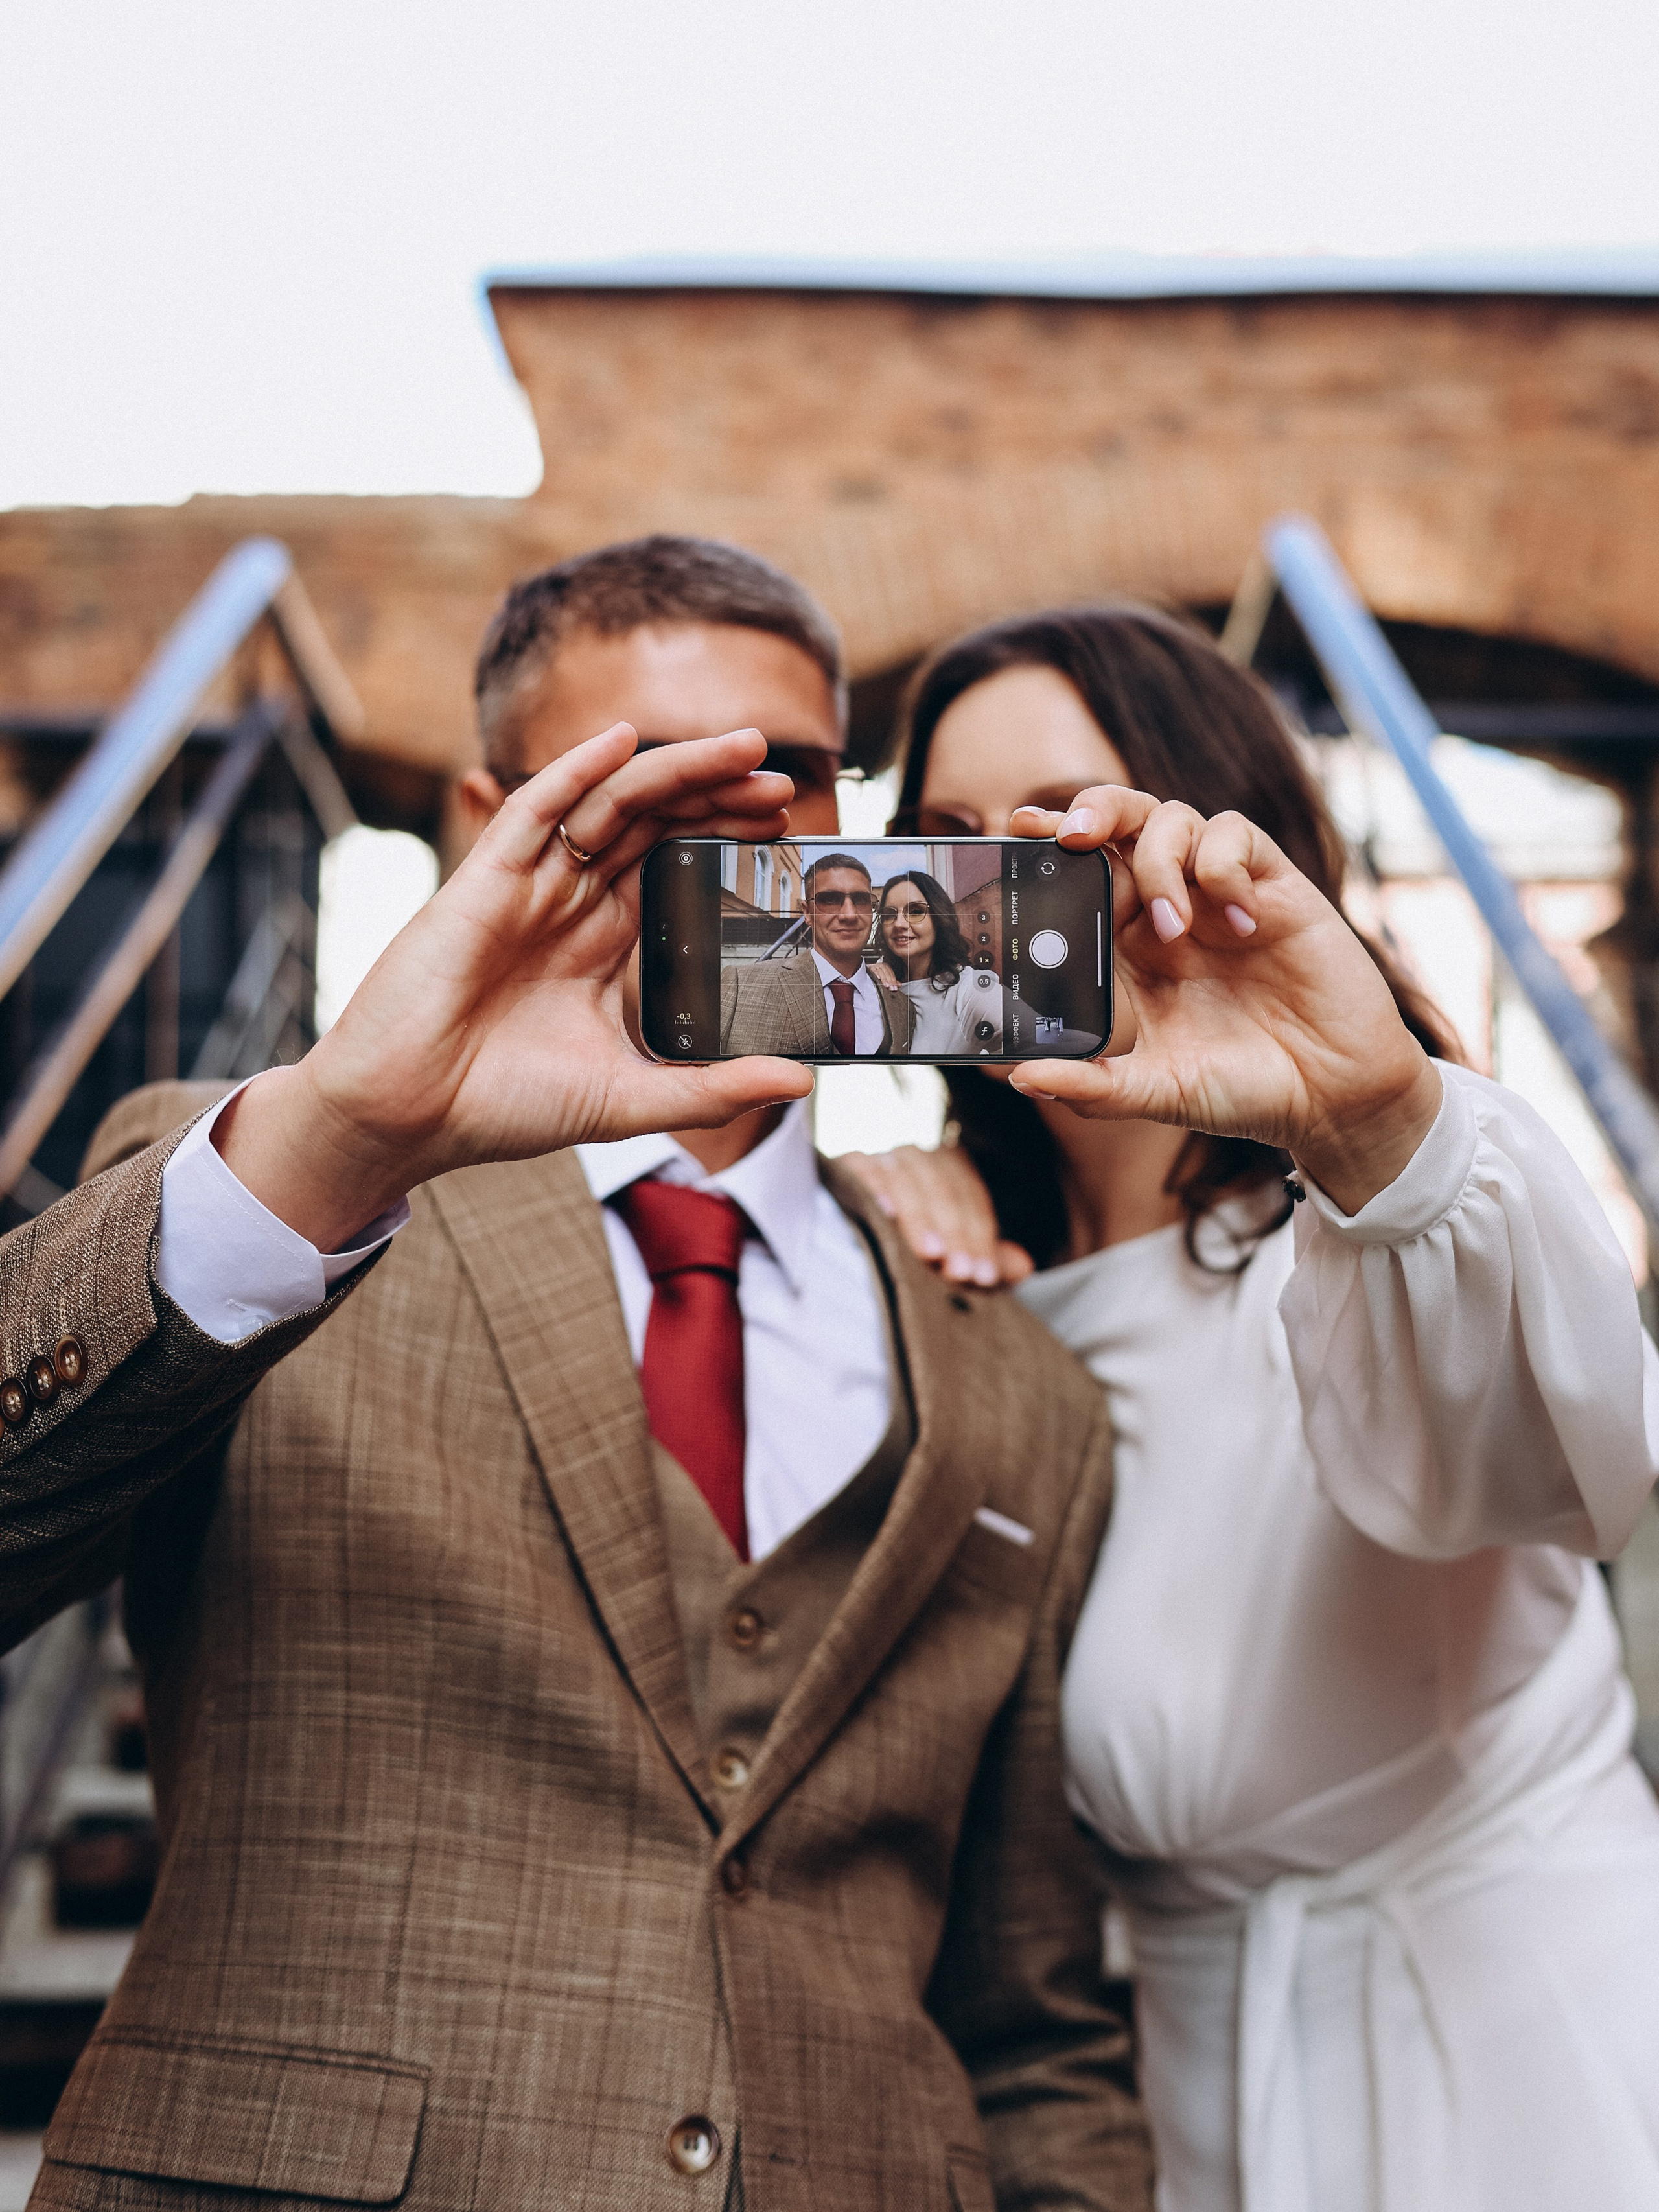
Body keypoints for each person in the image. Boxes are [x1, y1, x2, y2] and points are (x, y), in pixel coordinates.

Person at [0, 541, 1150, 2212]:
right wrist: (343, 1135)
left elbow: (1032, 2026)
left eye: (786, 770)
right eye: (645, 776)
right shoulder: (253, 1186)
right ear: (487, 816)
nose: (737, 822)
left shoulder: (1012, 1370)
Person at [843, 602, 1659, 2212]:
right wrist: (859, 1229)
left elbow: (1546, 1450)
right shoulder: (943, 1261)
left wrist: (1364, 1122)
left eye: (1059, 826)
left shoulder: (1377, 1209)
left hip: (1511, 2061)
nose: (994, 891)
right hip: (1168, 2095)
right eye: (943, 841)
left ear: (1207, 836)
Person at [719, 850, 914, 1058]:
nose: (849, 914)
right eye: (829, 899)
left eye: (861, 899)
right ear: (807, 913)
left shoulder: (903, 1006)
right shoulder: (741, 986)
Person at [872, 868, 1008, 1057]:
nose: (899, 924)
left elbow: (1043, 1040)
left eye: (916, 911)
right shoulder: (878, 978)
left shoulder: (968, 989)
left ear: (939, 917)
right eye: (889, 914)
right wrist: (864, 981)